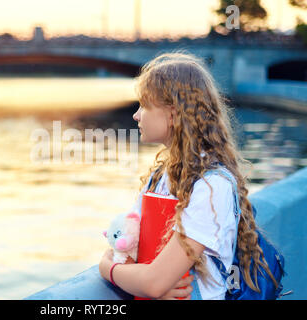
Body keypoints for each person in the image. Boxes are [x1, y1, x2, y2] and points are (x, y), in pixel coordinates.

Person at [98, 51, 278, 300]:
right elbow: (132, 254)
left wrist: (107, 268)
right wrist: (140, 277)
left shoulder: (211, 186)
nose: (136, 115)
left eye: (145, 105)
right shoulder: (159, 176)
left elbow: (153, 282)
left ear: (172, 114)